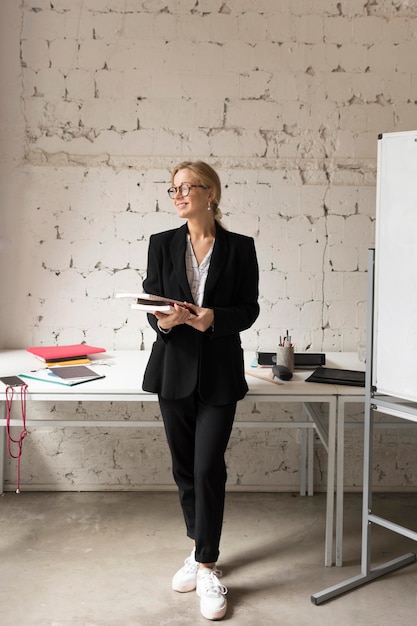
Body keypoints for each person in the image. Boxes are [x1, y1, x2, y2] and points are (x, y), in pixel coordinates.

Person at [142, 160, 259, 621]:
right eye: (173, 189)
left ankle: (206, 565)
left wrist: (213, 318)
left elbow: (248, 309)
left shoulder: (239, 248)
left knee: (208, 465)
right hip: (172, 369)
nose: (178, 195)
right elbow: (153, 299)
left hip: (219, 372)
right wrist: (165, 320)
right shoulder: (161, 244)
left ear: (211, 193)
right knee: (184, 468)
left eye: (187, 187)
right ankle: (199, 548)